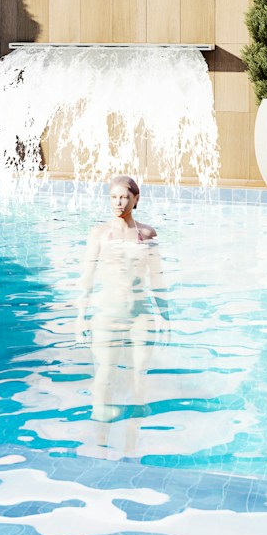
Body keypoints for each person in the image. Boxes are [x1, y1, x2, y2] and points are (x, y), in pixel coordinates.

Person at [77, 175, 166, 422]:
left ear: (136, 199)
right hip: (108, 314)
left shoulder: (147, 234)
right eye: (114, 197)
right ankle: (99, 414)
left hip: (140, 314)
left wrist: (165, 316)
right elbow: (87, 276)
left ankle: (137, 415)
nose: (118, 203)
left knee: (140, 371)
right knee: (105, 369)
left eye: (124, 197)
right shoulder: (99, 234)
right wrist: (80, 316)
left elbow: (157, 278)